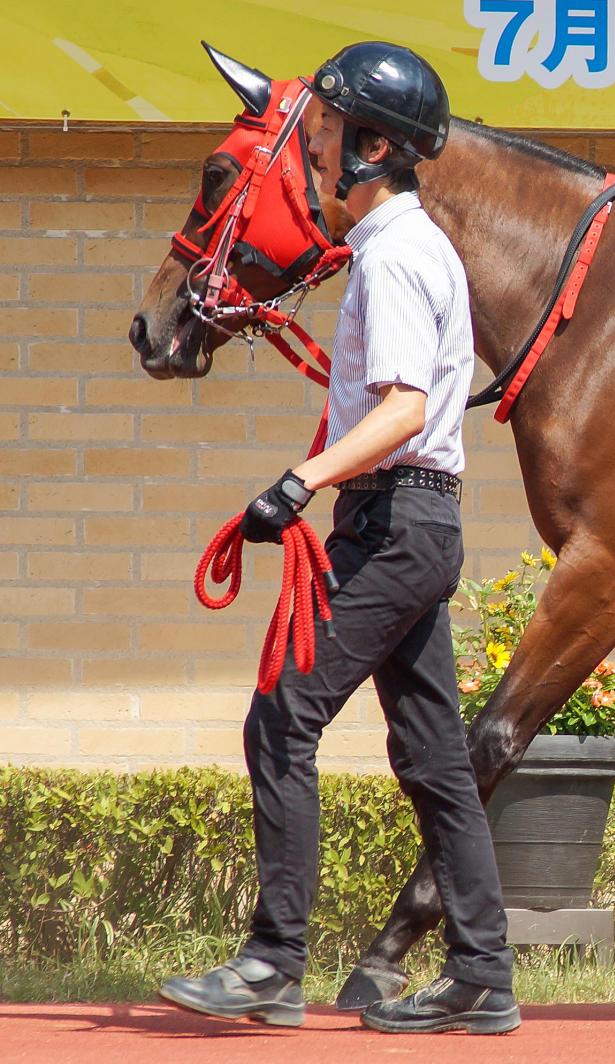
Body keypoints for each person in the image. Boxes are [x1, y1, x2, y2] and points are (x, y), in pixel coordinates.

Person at [159, 41, 518, 1035]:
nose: (313, 147)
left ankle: (274, 962)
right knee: (434, 758)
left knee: (282, 716)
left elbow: (403, 409)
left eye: (325, 130)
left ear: (373, 146)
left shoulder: (396, 256)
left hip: (394, 520)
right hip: (411, 519)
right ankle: (482, 972)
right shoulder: (401, 248)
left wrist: (298, 483)